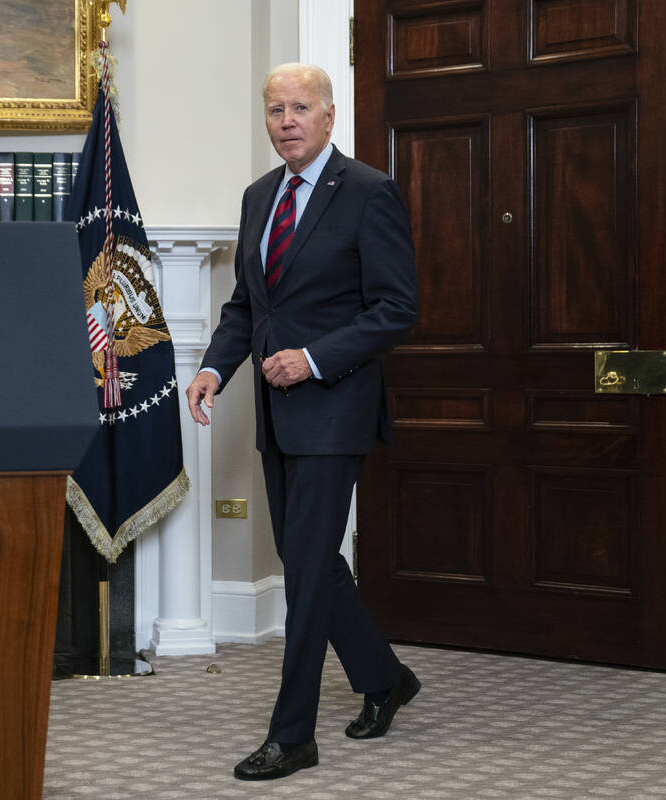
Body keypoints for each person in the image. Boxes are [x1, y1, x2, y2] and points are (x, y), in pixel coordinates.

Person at [185, 62, 420, 781]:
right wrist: (212, 368)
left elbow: (395, 309)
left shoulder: (371, 193)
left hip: (335, 407)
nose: (286, 120)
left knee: (306, 574)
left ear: (329, 116)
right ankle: (384, 679)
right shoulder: (261, 197)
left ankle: (293, 736)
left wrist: (314, 359)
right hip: (275, 415)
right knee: (307, 559)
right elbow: (247, 310)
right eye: (274, 108)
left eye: (300, 107)